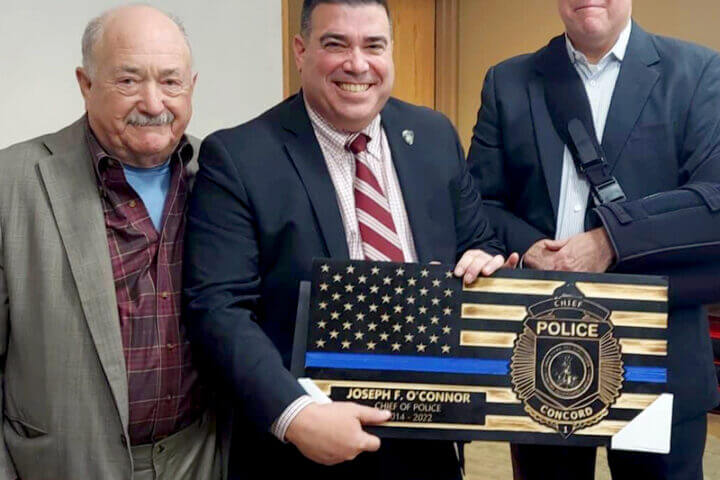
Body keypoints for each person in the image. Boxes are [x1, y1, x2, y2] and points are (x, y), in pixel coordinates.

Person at [183, 0, 517, 478]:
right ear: (301, 51)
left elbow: (476, 243)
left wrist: (484, 264)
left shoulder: (434, 135)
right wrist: (295, 415)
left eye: (374, 46)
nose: (357, 64)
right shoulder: (238, 157)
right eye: (335, 44)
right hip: (300, 449)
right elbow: (218, 309)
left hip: (428, 446)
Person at [467, 0, 720, 478]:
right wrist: (534, 252)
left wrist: (609, 242)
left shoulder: (698, 72)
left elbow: (712, 201)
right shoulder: (508, 81)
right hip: (542, 350)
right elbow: (478, 203)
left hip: (657, 355)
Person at [0, 5, 225, 479]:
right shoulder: (11, 182)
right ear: (85, 84)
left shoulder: (221, 177)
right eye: (127, 81)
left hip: (200, 459)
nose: (152, 101)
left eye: (170, 81)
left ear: (192, 86)